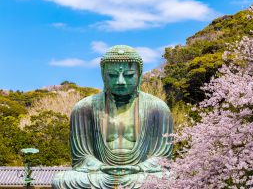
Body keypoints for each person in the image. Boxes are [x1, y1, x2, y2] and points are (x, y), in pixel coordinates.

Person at [52, 45, 173, 189]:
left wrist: (140, 168)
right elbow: (81, 158)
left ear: (139, 75)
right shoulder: (85, 107)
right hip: (101, 175)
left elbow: (162, 158)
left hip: (139, 175)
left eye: (128, 75)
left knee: (170, 179)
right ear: (103, 75)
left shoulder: (157, 108)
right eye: (112, 75)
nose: (120, 81)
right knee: (62, 180)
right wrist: (101, 167)